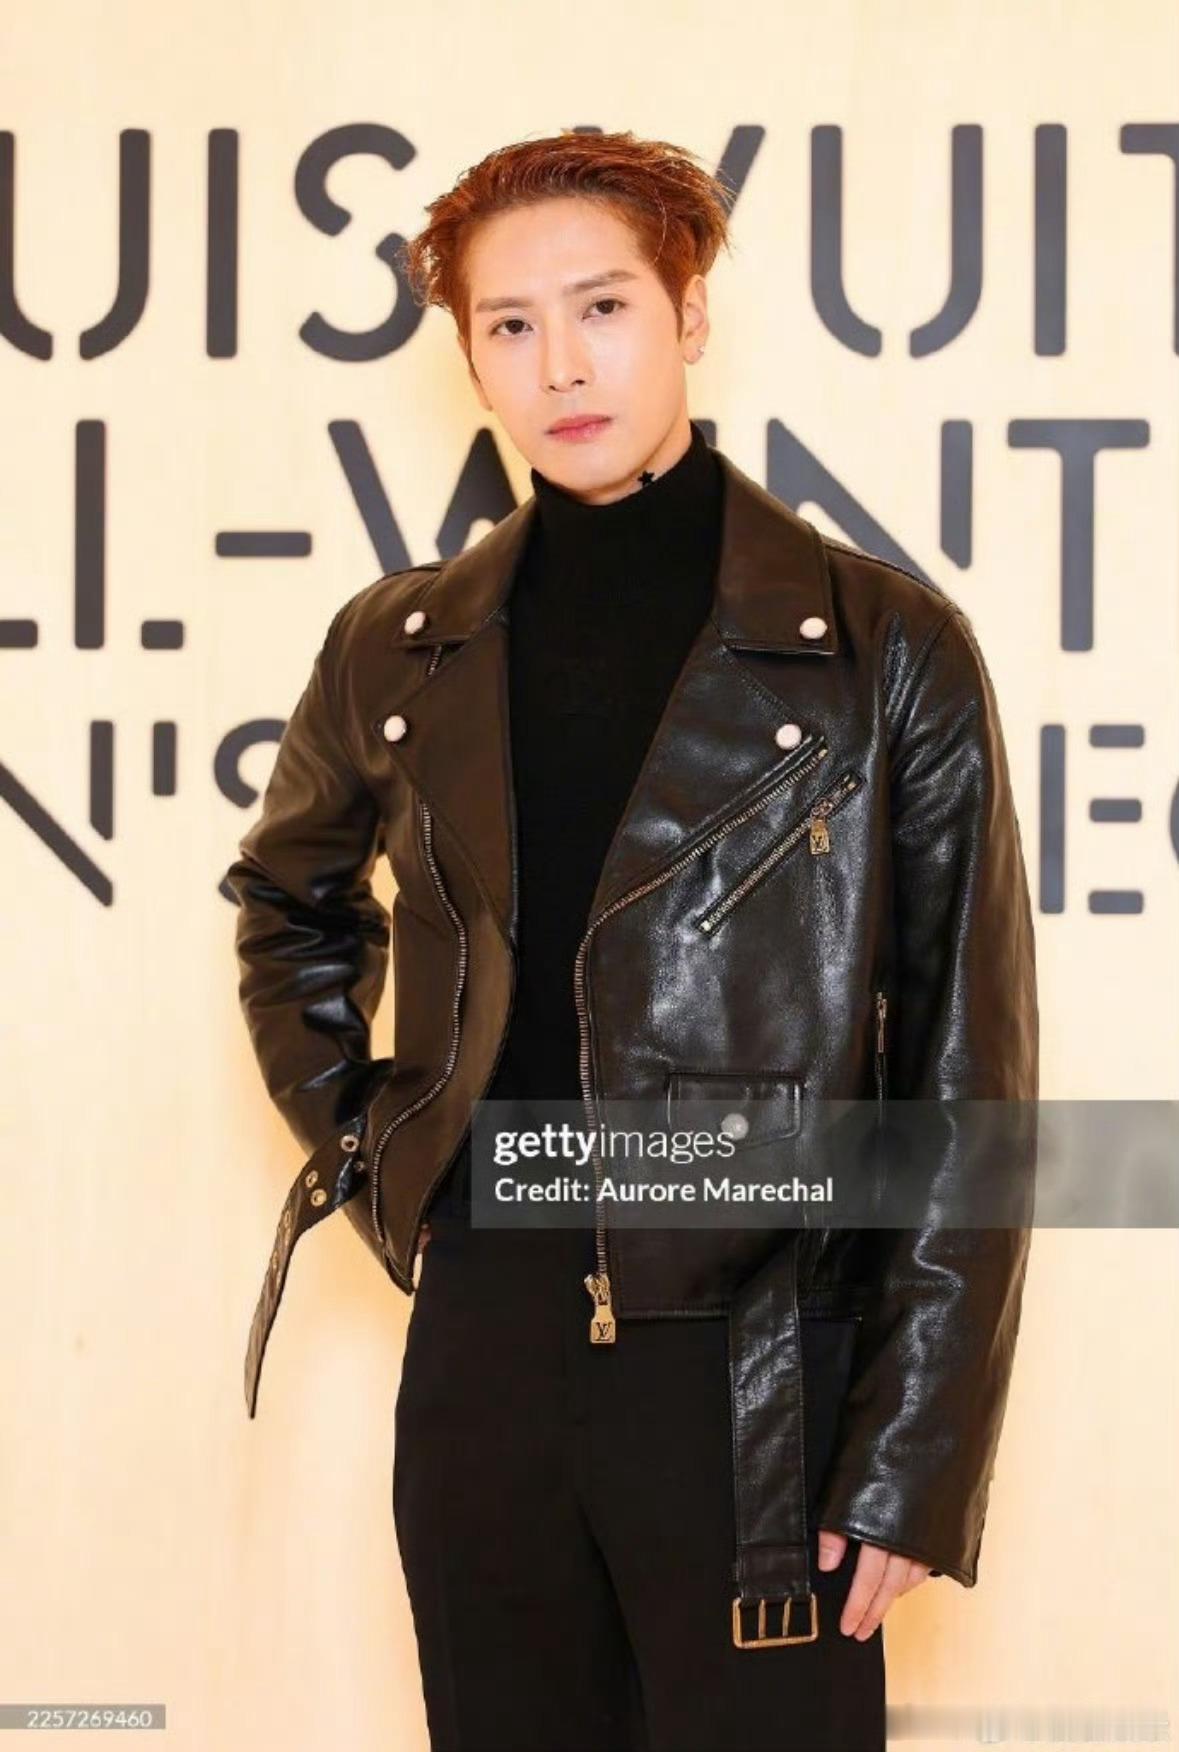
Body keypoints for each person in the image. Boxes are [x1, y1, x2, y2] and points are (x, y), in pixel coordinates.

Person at [225, 128, 1038, 1752]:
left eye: (603, 307)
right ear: (470, 357)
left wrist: (908, 1458)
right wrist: (393, 1153)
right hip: (485, 1361)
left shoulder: (883, 647)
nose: (562, 365)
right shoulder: (397, 645)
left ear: (689, 315)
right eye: (510, 325)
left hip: (761, 1376)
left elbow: (970, 1079)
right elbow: (288, 907)